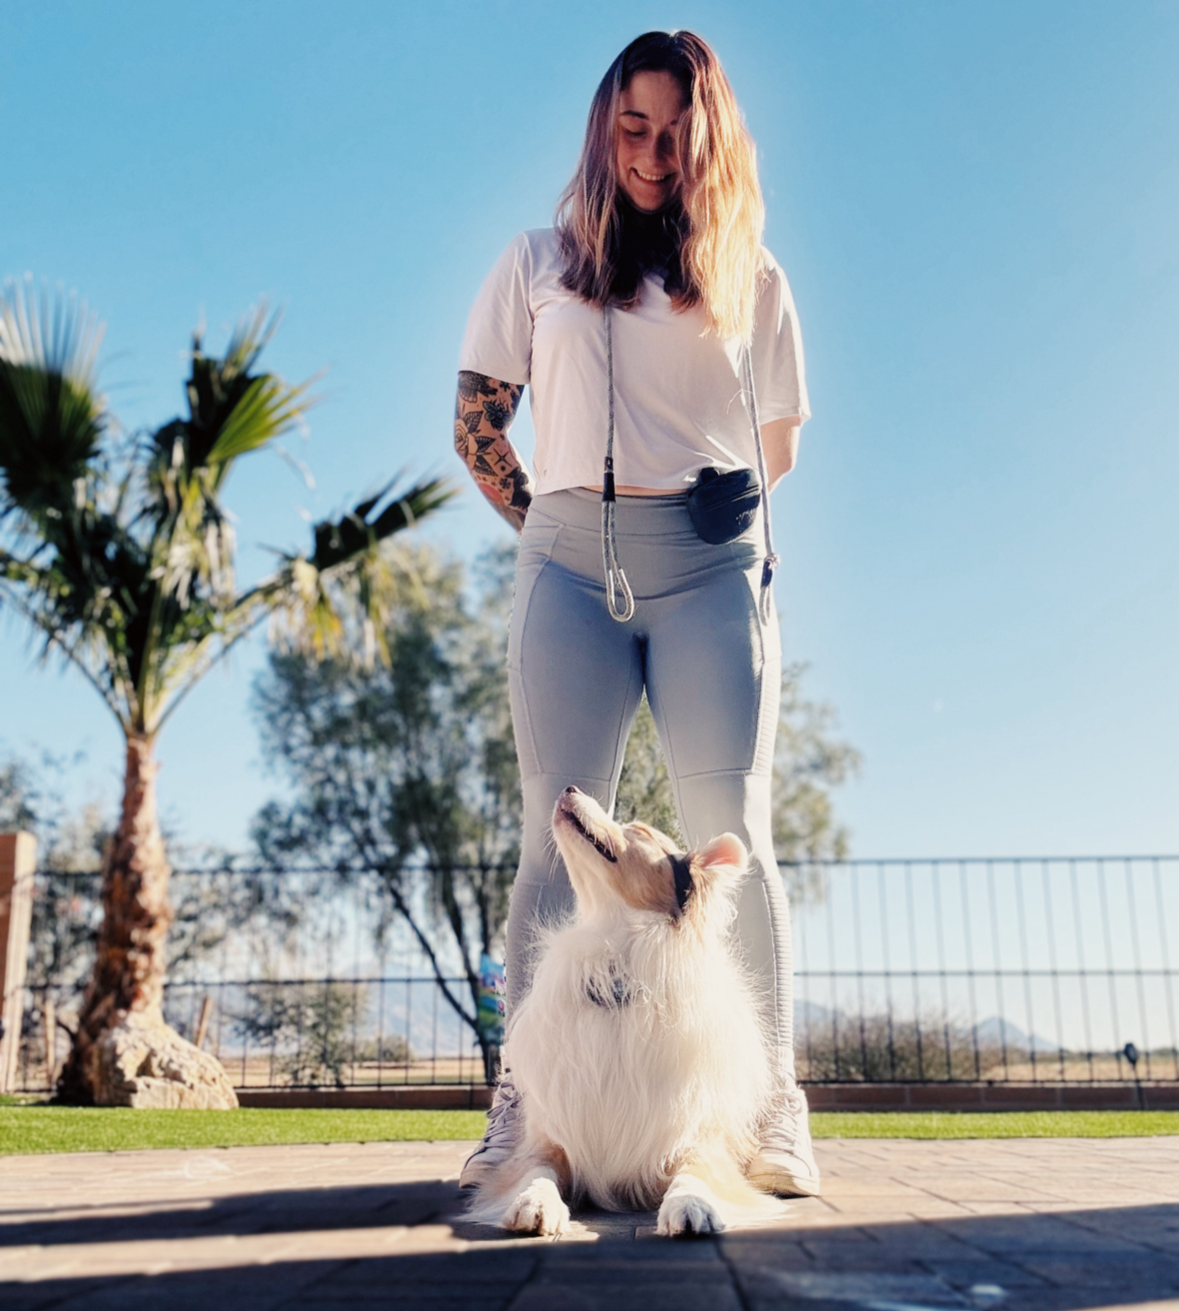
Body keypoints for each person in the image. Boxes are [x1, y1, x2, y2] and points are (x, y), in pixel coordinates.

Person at [452, 30, 818, 1198]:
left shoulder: (753, 276)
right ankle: (524, 1111)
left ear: (705, 139)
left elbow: (779, 447)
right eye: (633, 127)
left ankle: (771, 1109)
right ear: (606, 130)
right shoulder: (536, 261)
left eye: (676, 131)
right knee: (552, 848)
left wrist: (736, 516)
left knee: (734, 841)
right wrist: (554, 531)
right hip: (569, 567)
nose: (654, 153)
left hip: (711, 573)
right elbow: (474, 427)